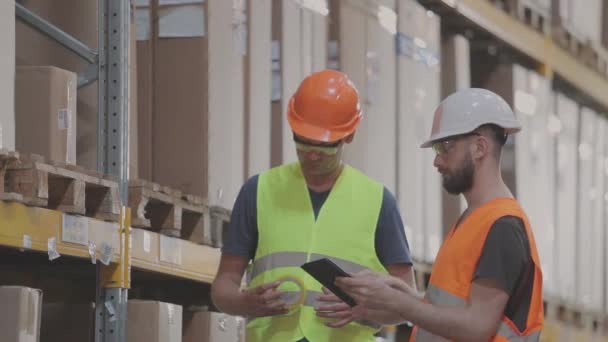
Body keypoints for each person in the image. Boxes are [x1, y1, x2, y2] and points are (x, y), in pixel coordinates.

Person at [210, 69, 415, 342]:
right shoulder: (258, 191)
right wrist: (244, 302)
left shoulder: (379, 202)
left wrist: (366, 311)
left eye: (324, 145)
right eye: (303, 142)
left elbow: (407, 303)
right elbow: (224, 285)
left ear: (349, 135)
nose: (313, 154)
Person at [333, 88, 544, 341]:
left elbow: (477, 326)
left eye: (445, 147)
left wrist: (401, 304)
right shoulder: (475, 219)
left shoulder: (503, 226)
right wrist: (401, 295)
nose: (437, 161)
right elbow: (456, 308)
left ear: (479, 147)